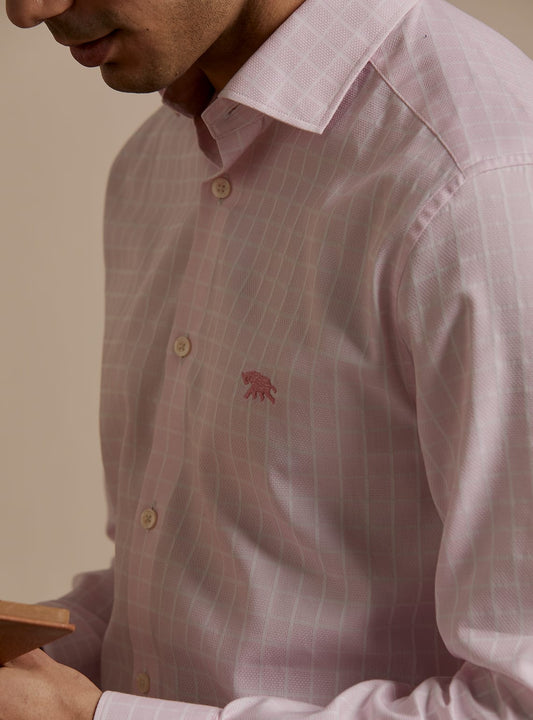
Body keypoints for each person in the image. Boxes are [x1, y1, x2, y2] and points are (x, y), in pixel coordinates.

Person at [2, 0, 533, 717]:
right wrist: (35, 672)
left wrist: (88, 717)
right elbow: (184, 596)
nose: (28, 10)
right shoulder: (152, 166)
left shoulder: (479, 179)